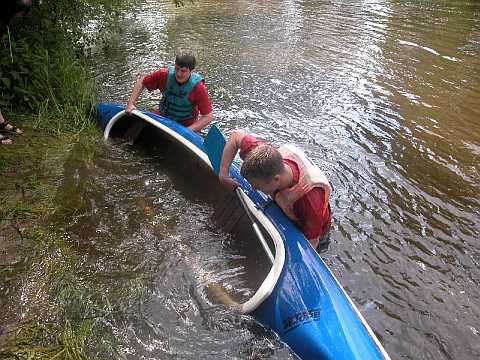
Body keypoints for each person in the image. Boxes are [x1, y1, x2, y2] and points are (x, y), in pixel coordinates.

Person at [219, 131, 333, 249]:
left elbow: (312, 242)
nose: (253, 189)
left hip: (313, 226)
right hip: (286, 200)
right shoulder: (263, 158)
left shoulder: (309, 200)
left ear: (276, 179)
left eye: (258, 187)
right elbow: (235, 137)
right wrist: (223, 174)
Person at [126, 50, 212, 132]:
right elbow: (142, 82)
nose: (178, 74)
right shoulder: (164, 75)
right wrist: (130, 104)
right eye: (177, 69)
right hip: (163, 117)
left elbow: (207, 116)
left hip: (186, 125)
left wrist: (187, 130)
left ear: (191, 71)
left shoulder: (198, 87)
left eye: (183, 71)